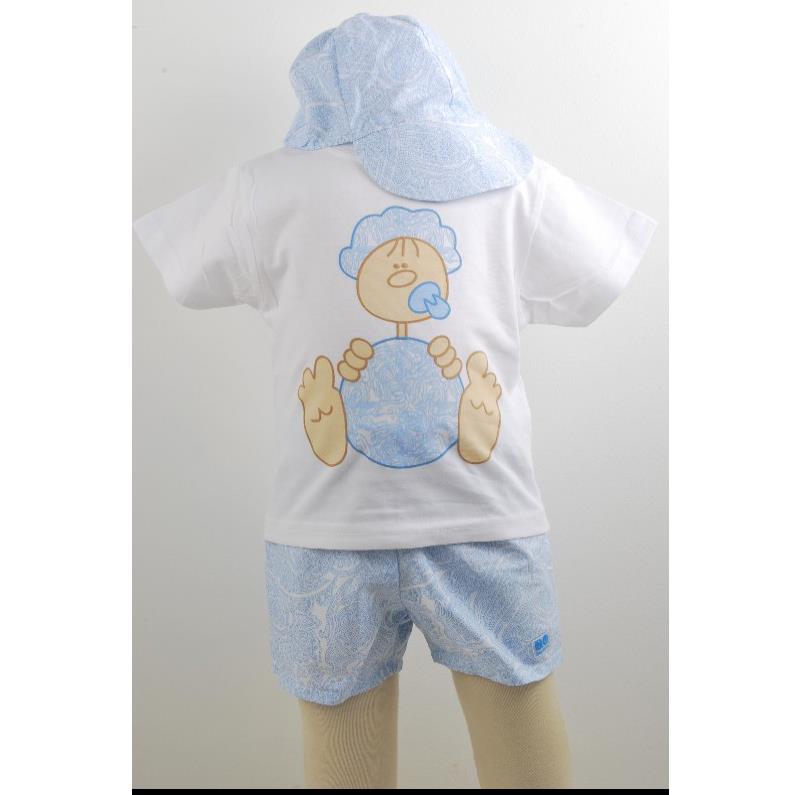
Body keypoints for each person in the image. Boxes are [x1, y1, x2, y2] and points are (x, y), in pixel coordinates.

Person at [134, 12, 657, 789]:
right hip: (484, 515)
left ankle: (376, 422)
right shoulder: (506, 178)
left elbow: (184, 265)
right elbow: (598, 272)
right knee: (517, 723)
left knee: (341, 739)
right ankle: (419, 420)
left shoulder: (268, 188)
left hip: (326, 524)